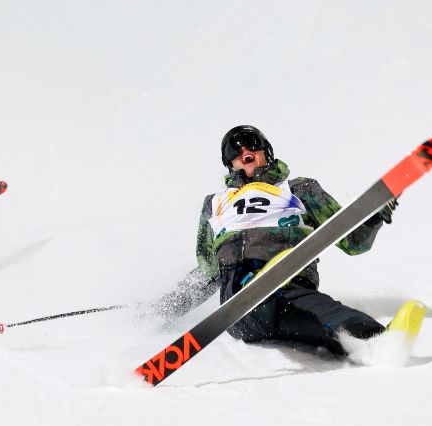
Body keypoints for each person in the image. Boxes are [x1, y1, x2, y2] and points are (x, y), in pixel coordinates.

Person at [152, 124, 399, 357]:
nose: (244, 151)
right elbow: (208, 270)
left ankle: (377, 343)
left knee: (334, 320)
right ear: (230, 163)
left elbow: (353, 242)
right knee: (245, 278)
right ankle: (253, 277)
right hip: (240, 306)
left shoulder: (298, 189)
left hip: (292, 295)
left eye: (251, 143)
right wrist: (161, 310)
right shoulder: (215, 203)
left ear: (265, 152)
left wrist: (376, 216)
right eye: (234, 150)